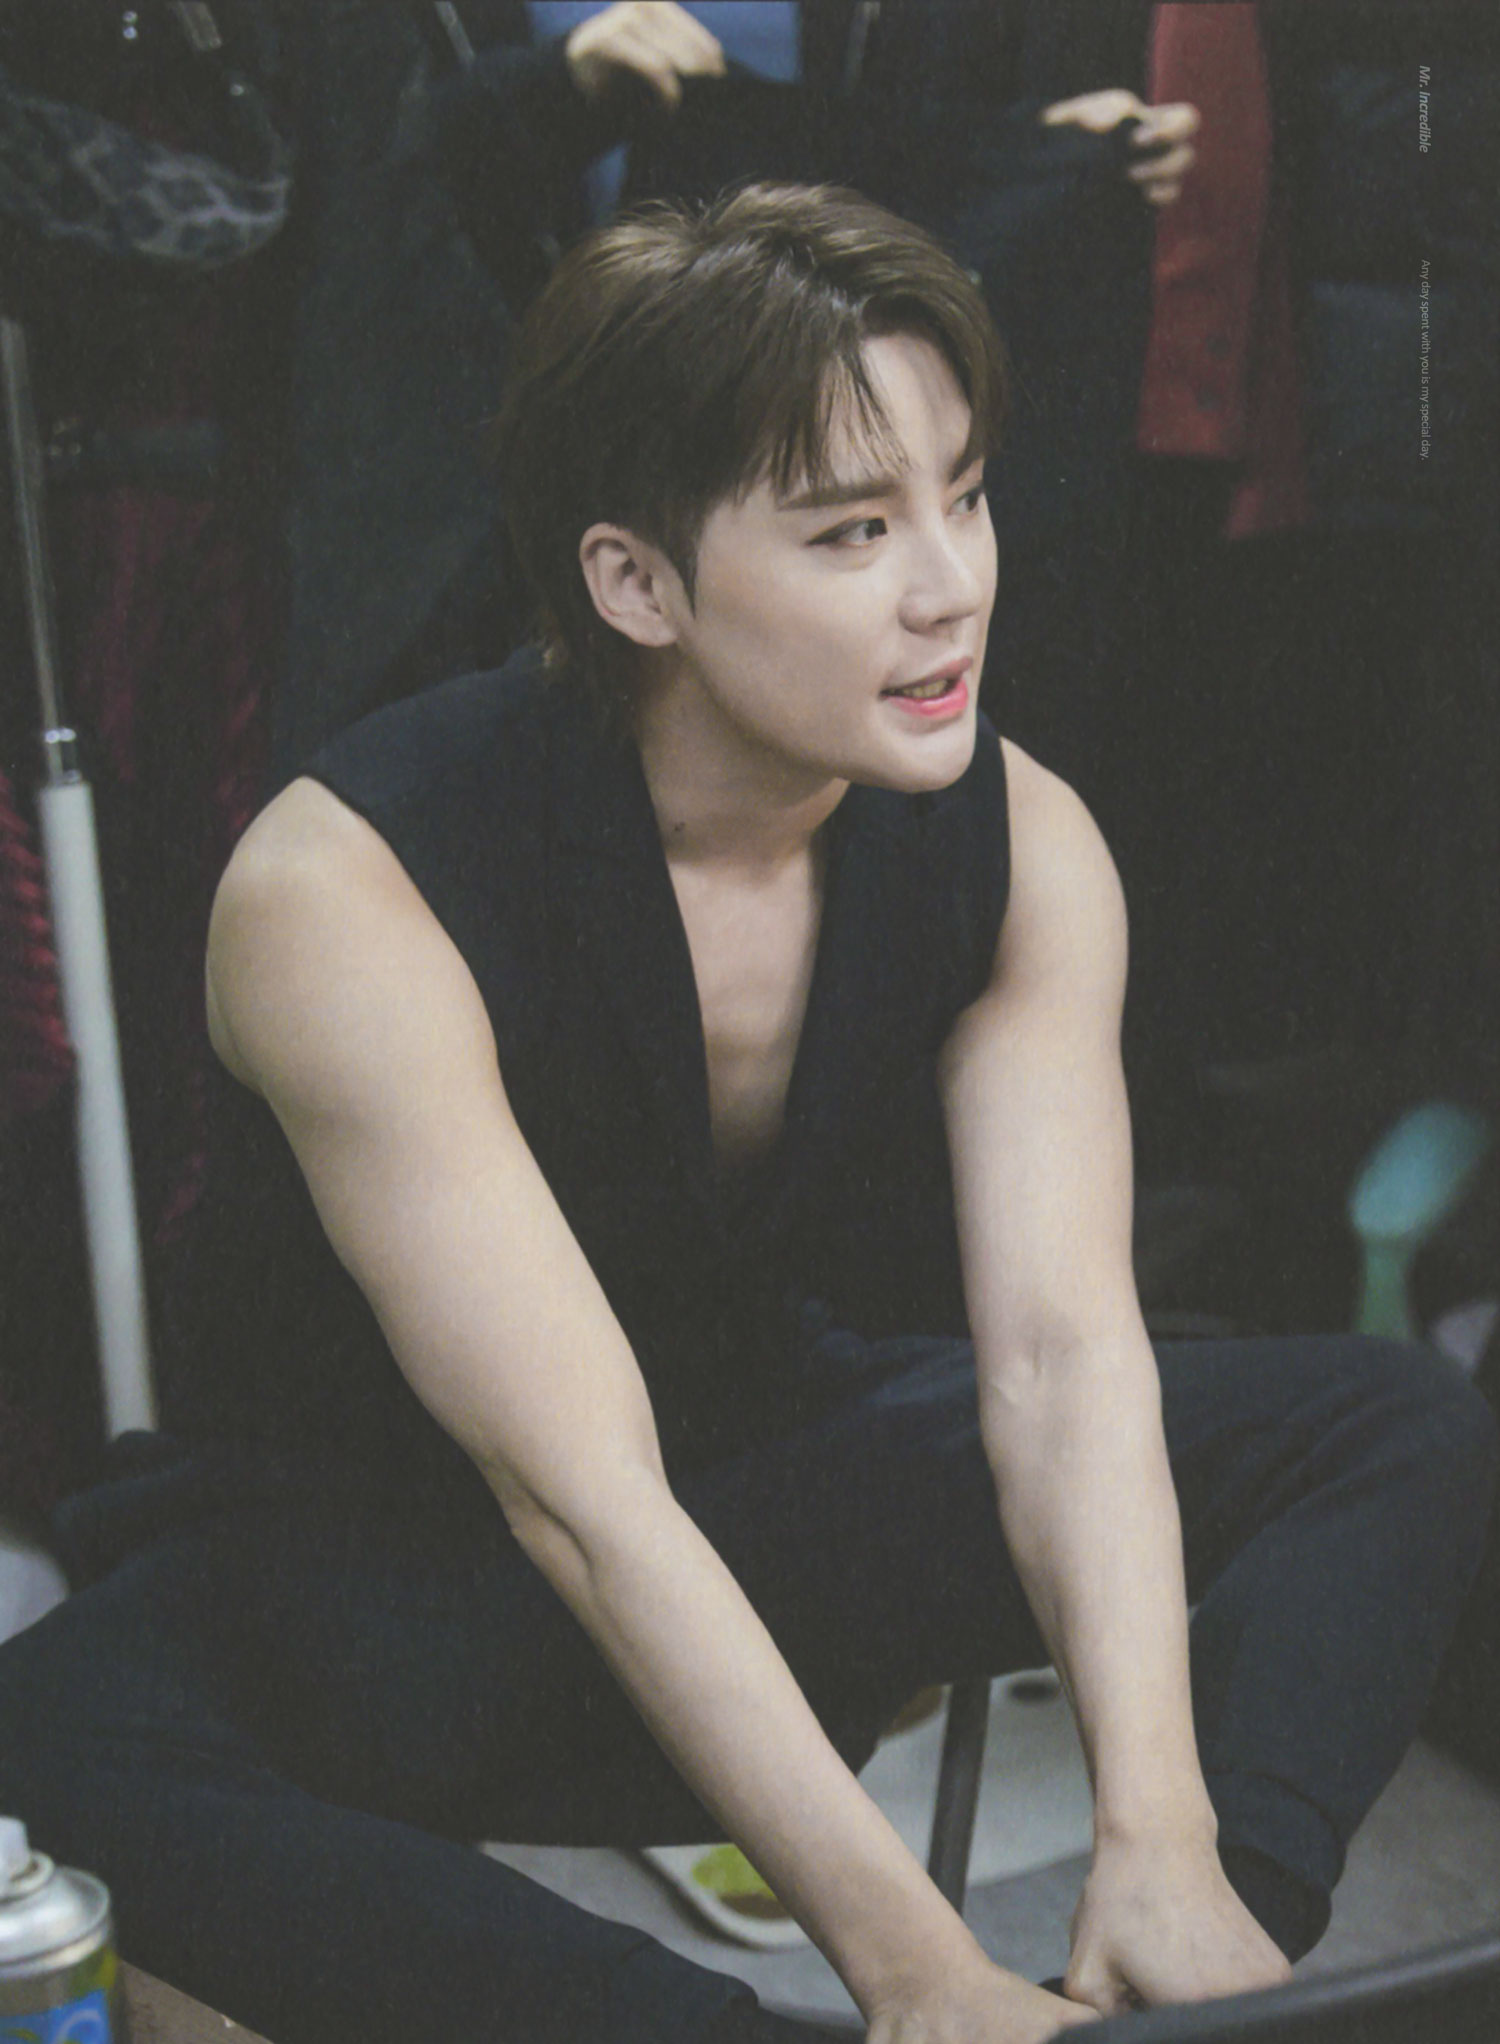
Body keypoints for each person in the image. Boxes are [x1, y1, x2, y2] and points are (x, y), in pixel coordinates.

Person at [0, 183, 1494, 2044]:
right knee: (55, 1744)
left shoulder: (1026, 842)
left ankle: (1175, 1975)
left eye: (965, 496)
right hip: (396, 1588)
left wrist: (1165, 1831)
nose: (950, 584)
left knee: (1390, 1422)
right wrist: (918, 1971)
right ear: (636, 584)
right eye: (855, 529)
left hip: (775, 1497)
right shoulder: (346, 893)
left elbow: (1059, 1356)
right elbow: (577, 1496)